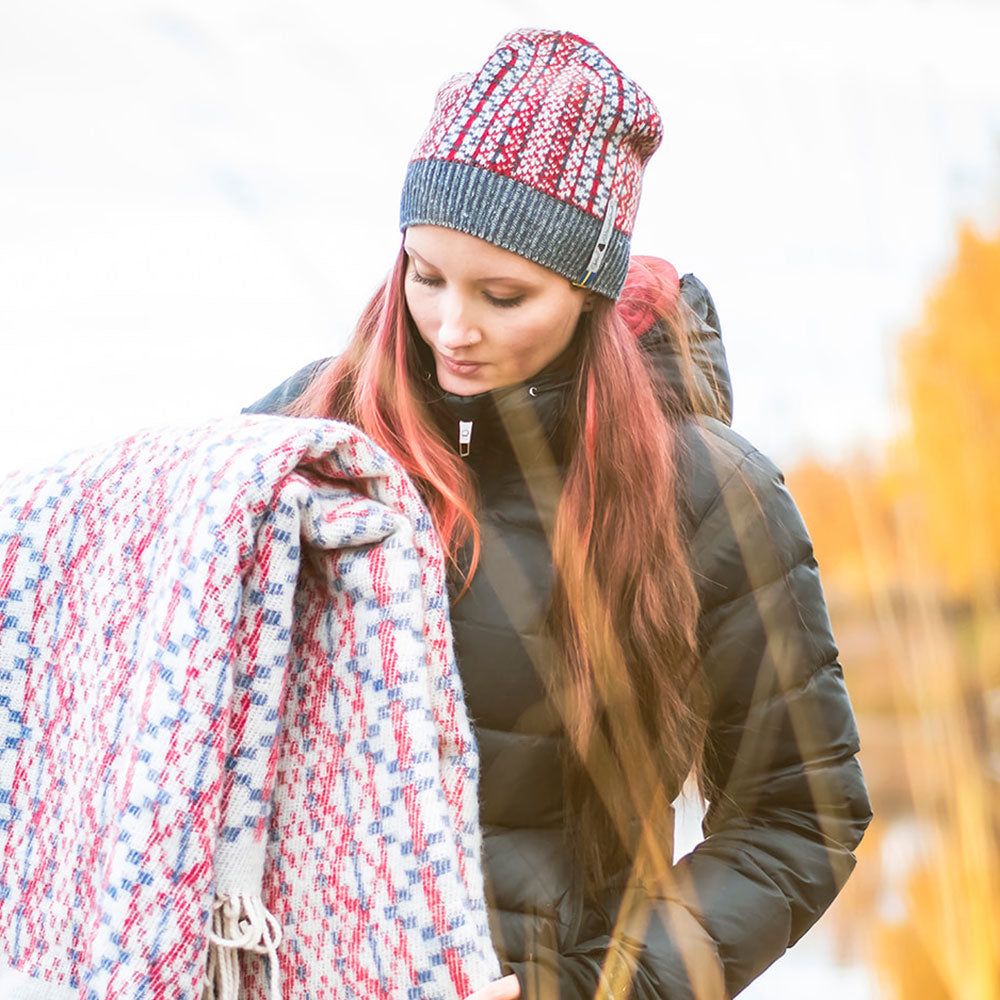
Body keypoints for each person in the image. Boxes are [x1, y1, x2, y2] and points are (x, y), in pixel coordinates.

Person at [245, 28, 872, 1000]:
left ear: (586, 290)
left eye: (503, 295)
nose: (453, 328)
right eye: (425, 276)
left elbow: (801, 813)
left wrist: (593, 990)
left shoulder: (706, 491)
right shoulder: (308, 428)